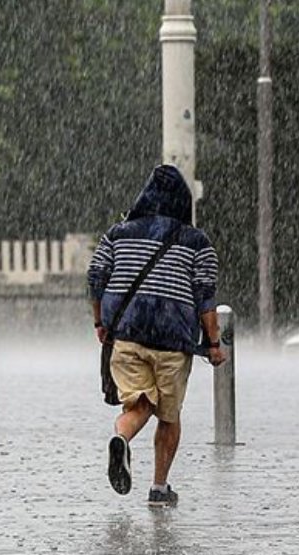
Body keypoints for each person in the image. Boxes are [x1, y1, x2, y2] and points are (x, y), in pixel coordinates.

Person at [87, 164, 226, 507]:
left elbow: (96, 279)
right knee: (169, 415)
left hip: (128, 334)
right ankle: (159, 489)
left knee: (139, 403)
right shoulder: (197, 242)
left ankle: (121, 437)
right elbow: (205, 297)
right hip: (173, 341)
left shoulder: (117, 234)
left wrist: (100, 323)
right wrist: (213, 343)